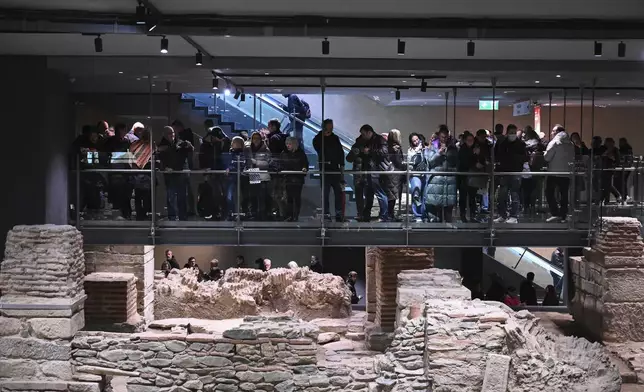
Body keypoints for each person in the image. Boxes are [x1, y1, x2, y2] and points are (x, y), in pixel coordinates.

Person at [313, 119, 346, 222]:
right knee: (325, 193)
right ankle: (326, 214)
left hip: (335, 169)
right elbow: (317, 147)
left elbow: (340, 153)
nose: (331, 129)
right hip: (325, 169)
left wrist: (342, 167)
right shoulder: (319, 138)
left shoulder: (335, 138)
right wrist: (322, 134)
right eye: (329, 127)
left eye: (331, 127)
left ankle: (339, 214)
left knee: (338, 193)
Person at [424, 125, 458, 223]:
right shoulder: (432, 146)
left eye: (446, 137)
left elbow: (456, 161)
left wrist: (449, 153)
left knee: (448, 210)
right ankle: (435, 230)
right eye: (442, 137)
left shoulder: (452, 147)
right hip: (436, 180)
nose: (444, 139)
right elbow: (429, 161)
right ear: (439, 136)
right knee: (435, 208)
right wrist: (439, 153)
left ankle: (448, 233)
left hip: (449, 180)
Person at [494, 125, 527, 224]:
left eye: (514, 132)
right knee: (502, 195)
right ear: (507, 132)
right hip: (504, 171)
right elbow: (496, 155)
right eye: (511, 132)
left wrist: (515, 158)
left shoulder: (521, 144)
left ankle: (514, 216)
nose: (513, 134)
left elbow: (525, 157)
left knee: (515, 194)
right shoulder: (502, 143)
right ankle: (502, 215)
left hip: (515, 172)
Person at [158, 126, 192, 221]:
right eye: (169, 133)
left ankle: (182, 217)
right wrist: (164, 167)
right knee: (171, 197)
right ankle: (172, 216)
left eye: (172, 133)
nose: (171, 135)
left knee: (182, 197)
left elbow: (189, 151)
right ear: (164, 135)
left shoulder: (180, 142)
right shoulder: (161, 146)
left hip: (180, 174)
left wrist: (189, 146)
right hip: (170, 175)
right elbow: (160, 159)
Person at [544, 125, 575, 223]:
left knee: (549, 192)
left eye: (553, 131)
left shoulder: (555, 142)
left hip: (554, 172)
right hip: (566, 172)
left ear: (557, 132)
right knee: (564, 194)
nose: (551, 133)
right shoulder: (570, 143)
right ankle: (563, 215)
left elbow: (547, 157)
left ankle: (555, 213)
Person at [359, 124, 390, 221]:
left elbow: (384, 152)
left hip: (376, 171)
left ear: (369, 132)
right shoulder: (367, 141)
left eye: (364, 134)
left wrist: (370, 151)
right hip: (369, 170)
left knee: (380, 194)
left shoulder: (380, 140)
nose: (362, 136)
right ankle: (366, 215)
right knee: (368, 195)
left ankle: (384, 215)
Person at [103, 123, 134, 220]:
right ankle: (118, 214)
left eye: (125, 130)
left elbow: (130, 155)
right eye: (122, 130)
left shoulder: (126, 141)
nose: (124, 132)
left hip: (125, 172)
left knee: (126, 194)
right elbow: (108, 156)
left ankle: (127, 214)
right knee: (117, 194)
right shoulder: (110, 142)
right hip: (115, 172)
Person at [279, 137, 309, 221]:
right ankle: (289, 216)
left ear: (294, 144)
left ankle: (295, 216)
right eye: (287, 144)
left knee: (296, 198)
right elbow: (280, 164)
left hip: (297, 179)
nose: (288, 146)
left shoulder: (300, 153)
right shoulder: (284, 153)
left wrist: (304, 169)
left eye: (289, 144)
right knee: (289, 198)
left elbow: (305, 164)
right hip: (288, 179)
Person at [244, 132, 271, 221]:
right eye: (254, 138)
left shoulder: (265, 149)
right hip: (252, 172)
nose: (256, 140)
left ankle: (262, 213)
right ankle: (254, 213)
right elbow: (245, 161)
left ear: (261, 139)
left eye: (257, 138)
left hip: (262, 173)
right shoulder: (247, 148)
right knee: (253, 194)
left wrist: (257, 162)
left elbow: (268, 162)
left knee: (262, 195)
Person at [172, 120, 197, 216]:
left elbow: (189, 149)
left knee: (185, 189)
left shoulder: (184, 138)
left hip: (184, 166)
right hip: (183, 166)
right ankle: (188, 210)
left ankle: (188, 210)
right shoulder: (184, 137)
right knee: (186, 189)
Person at [130, 128, 153, 221]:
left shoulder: (152, 145)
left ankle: (144, 213)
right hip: (137, 173)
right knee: (138, 196)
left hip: (148, 174)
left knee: (147, 197)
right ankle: (140, 215)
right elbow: (130, 155)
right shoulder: (136, 144)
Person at [266, 119, 287, 219]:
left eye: (269, 126)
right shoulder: (283, 137)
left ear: (273, 127)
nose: (268, 128)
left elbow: (273, 154)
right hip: (282, 169)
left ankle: (280, 213)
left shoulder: (273, 138)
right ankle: (280, 212)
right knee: (279, 193)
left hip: (275, 170)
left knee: (275, 193)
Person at [522, 128, 545, 215]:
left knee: (526, 189)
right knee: (535, 189)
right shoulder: (539, 144)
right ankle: (533, 206)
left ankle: (526, 207)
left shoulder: (524, 145)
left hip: (526, 169)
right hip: (537, 169)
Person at [457, 131, 478, 222]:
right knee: (463, 197)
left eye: (472, 140)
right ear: (465, 140)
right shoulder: (462, 150)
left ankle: (472, 215)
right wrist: (474, 156)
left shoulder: (475, 148)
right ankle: (463, 215)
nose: (470, 141)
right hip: (464, 176)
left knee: (472, 197)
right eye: (469, 140)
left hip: (472, 176)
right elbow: (464, 162)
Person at [346, 134, 368, 221]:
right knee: (359, 194)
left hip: (367, 173)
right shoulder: (356, 146)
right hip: (358, 174)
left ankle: (365, 214)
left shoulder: (371, 146)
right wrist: (354, 153)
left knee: (367, 195)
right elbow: (348, 158)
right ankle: (360, 213)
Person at [224, 136, 245, 220]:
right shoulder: (230, 153)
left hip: (237, 178)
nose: (232, 143)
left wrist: (230, 168)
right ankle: (231, 213)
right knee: (230, 197)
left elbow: (240, 164)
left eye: (234, 142)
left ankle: (235, 213)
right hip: (230, 178)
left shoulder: (241, 154)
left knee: (233, 196)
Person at [386, 129, 405, 221]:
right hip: (395, 174)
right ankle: (391, 215)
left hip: (389, 173)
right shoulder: (396, 148)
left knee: (390, 195)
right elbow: (398, 162)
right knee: (393, 196)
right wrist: (404, 164)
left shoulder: (387, 146)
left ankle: (390, 214)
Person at [408, 133, 427, 219]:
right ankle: (417, 215)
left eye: (417, 139)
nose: (416, 142)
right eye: (414, 141)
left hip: (425, 174)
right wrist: (416, 151)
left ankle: (423, 213)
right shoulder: (410, 150)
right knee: (416, 193)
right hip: (415, 174)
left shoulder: (425, 148)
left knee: (424, 195)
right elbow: (409, 161)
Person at [475, 129, 492, 214]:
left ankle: (484, 207)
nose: (484, 138)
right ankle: (479, 206)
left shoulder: (488, 145)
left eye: (484, 137)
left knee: (485, 189)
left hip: (484, 169)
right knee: (476, 189)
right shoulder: (475, 144)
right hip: (476, 169)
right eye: (482, 137)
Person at [601, 137, 622, 204]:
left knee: (608, 185)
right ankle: (616, 196)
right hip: (603, 168)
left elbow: (617, 160)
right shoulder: (603, 148)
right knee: (606, 185)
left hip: (610, 169)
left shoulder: (615, 150)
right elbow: (601, 157)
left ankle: (607, 199)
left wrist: (613, 160)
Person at [616, 137, 633, 202]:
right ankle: (624, 195)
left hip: (625, 168)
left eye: (621, 142)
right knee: (622, 182)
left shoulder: (625, 149)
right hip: (625, 168)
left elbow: (626, 159)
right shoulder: (627, 149)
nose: (620, 143)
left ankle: (624, 196)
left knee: (622, 182)